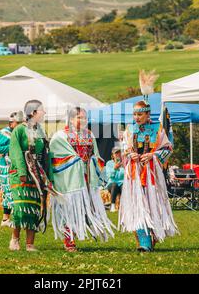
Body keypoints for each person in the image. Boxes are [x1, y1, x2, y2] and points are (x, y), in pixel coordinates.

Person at [49, 107, 115, 252]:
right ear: (71, 119)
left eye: (85, 118)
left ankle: (81, 232)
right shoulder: (61, 136)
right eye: (79, 117)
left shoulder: (90, 135)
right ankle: (69, 241)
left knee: (84, 208)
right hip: (69, 179)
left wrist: (92, 163)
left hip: (86, 177)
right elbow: (55, 157)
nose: (83, 120)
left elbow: (95, 155)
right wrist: (75, 161)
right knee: (69, 208)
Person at [119, 100, 179, 252]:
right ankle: (144, 240)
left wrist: (153, 155)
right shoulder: (130, 129)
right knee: (138, 204)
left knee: (152, 203)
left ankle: (154, 234)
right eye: (134, 114)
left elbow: (168, 148)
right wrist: (129, 153)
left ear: (147, 114)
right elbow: (124, 148)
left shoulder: (158, 129)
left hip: (152, 173)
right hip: (135, 173)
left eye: (140, 114)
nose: (136, 117)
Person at [8, 100, 49, 252]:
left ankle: (30, 244)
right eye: (42, 110)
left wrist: (47, 175)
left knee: (33, 208)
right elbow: (15, 151)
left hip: (37, 175)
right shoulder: (19, 130)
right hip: (21, 174)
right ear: (33, 113)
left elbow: (45, 154)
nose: (44, 113)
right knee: (20, 207)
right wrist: (22, 172)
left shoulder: (41, 131)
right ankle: (15, 239)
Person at [0, 111, 23, 228]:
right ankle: (14, 218)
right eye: (18, 123)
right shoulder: (4, 133)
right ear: (11, 123)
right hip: (6, 166)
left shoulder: (19, 133)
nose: (20, 125)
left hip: (15, 165)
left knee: (9, 193)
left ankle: (5, 219)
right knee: (10, 192)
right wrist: (13, 146)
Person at [105, 146, 125, 212]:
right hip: (112, 184)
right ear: (112, 155)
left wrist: (123, 166)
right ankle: (112, 206)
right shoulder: (109, 163)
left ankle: (124, 206)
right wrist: (114, 168)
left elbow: (126, 175)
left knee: (124, 186)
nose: (118, 154)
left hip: (122, 183)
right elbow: (109, 176)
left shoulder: (124, 163)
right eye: (116, 153)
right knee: (114, 185)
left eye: (119, 153)